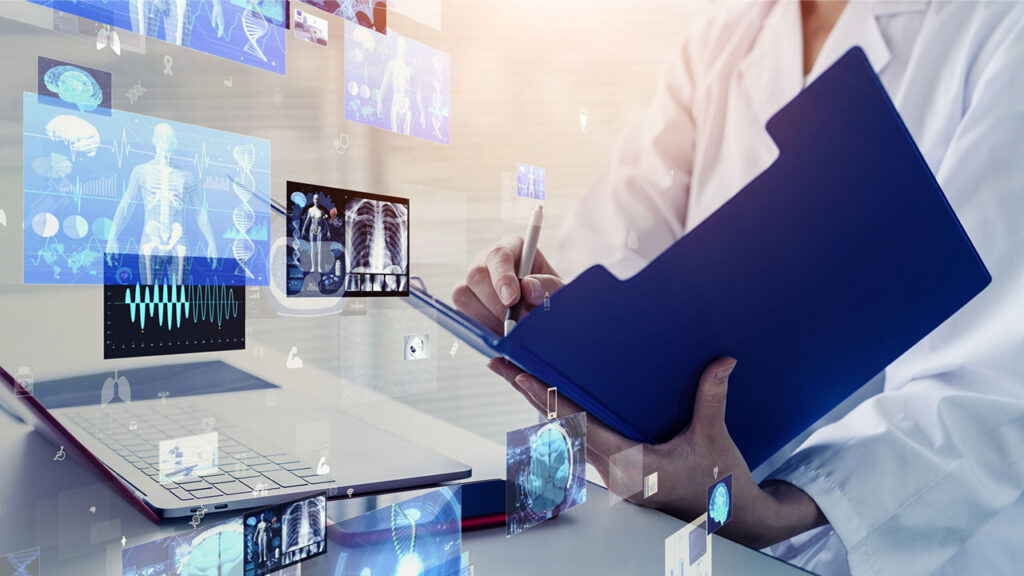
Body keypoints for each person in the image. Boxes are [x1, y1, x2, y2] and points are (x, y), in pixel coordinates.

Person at [452, 1, 1024, 574]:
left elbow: (988, 385)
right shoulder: (721, 43)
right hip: (691, 539)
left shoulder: (999, 30)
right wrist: (547, 304)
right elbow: (618, 255)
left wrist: (773, 511)